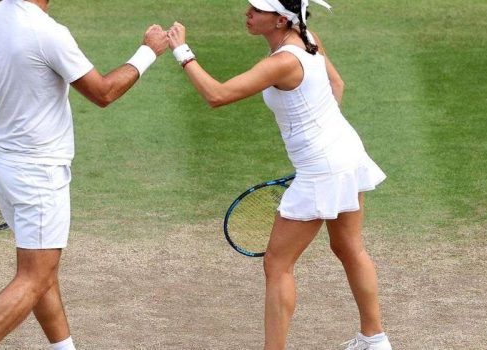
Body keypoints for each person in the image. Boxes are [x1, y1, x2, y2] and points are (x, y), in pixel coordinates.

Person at [167, 0, 391, 349]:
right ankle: (375, 341)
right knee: (349, 248)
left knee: (277, 264)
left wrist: (181, 49)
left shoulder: (284, 62)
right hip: (346, 154)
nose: (248, 13)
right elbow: (337, 86)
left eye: (257, 9)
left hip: (326, 166)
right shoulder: (308, 38)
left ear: (280, 19)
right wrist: (322, 146)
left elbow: (217, 95)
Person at [0, 1, 168, 349]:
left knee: (43, 272)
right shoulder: (49, 34)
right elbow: (104, 92)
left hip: (5, 168)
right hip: (39, 175)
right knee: (33, 278)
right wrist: (148, 52)